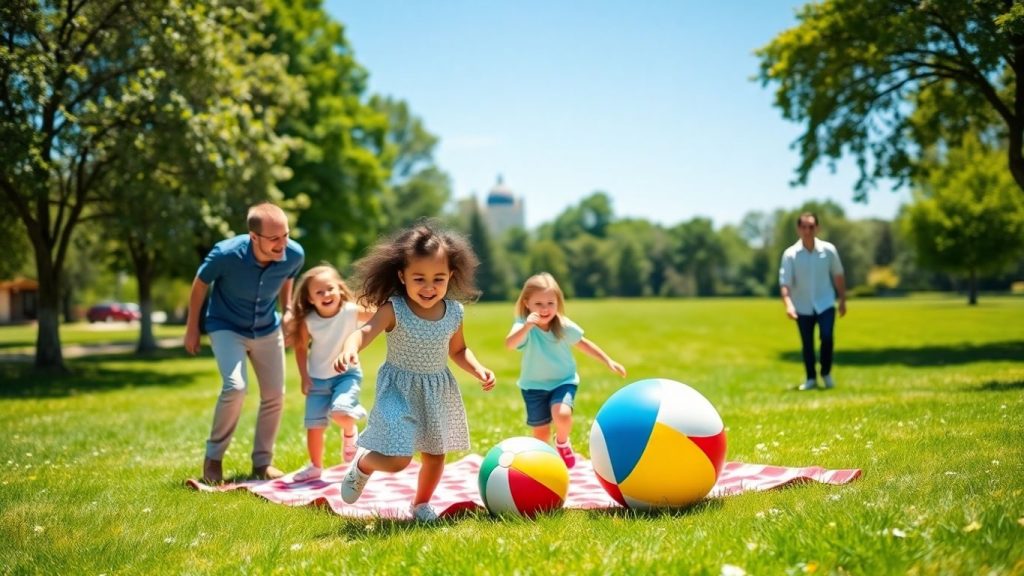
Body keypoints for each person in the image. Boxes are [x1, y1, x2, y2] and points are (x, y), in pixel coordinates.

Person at [333, 223, 495, 522]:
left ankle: (421, 504)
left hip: (436, 390)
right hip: (398, 389)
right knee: (398, 460)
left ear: (451, 276)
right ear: (402, 276)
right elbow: (363, 332)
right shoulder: (394, 309)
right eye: (419, 279)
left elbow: (459, 350)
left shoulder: (454, 313)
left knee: (435, 456)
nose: (429, 287)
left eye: (438, 279)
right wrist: (350, 348)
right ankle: (363, 465)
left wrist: (478, 369)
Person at [185, 202, 304, 483]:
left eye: (285, 235)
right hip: (226, 326)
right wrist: (192, 328)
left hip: (266, 327)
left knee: (275, 395)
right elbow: (200, 284)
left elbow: (287, 279)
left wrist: (288, 309)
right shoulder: (225, 254)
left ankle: (262, 463)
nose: (282, 244)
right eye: (274, 238)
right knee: (236, 387)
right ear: (253, 237)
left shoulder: (294, 254)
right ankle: (213, 459)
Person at [505, 272, 627, 468]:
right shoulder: (522, 324)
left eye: (550, 303)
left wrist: (608, 361)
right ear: (527, 303)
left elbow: (583, 343)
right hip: (533, 387)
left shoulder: (562, 325)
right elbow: (510, 344)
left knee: (562, 415)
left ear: (558, 303)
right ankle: (545, 465)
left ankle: (562, 443)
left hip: (563, 381)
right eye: (538, 304)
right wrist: (527, 326)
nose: (545, 309)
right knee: (541, 435)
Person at [286, 265, 373, 482]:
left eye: (330, 289)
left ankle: (350, 433)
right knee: (314, 426)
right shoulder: (309, 320)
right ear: (310, 299)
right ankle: (315, 467)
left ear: (340, 289)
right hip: (317, 379)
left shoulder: (351, 311)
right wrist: (304, 377)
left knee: (340, 412)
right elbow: (300, 347)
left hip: (347, 375)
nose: (326, 294)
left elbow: (380, 315)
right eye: (319, 292)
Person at [779, 212, 846, 391]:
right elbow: (785, 283)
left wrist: (842, 300)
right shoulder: (790, 254)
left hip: (826, 303)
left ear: (817, 228)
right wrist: (789, 305)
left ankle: (826, 373)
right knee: (807, 344)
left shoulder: (829, 250)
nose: (807, 231)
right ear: (798, 229)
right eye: (804, 227)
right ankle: (810, 378)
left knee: (827, 337)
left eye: (811, 227)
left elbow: (838, 275)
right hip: (801, 306)